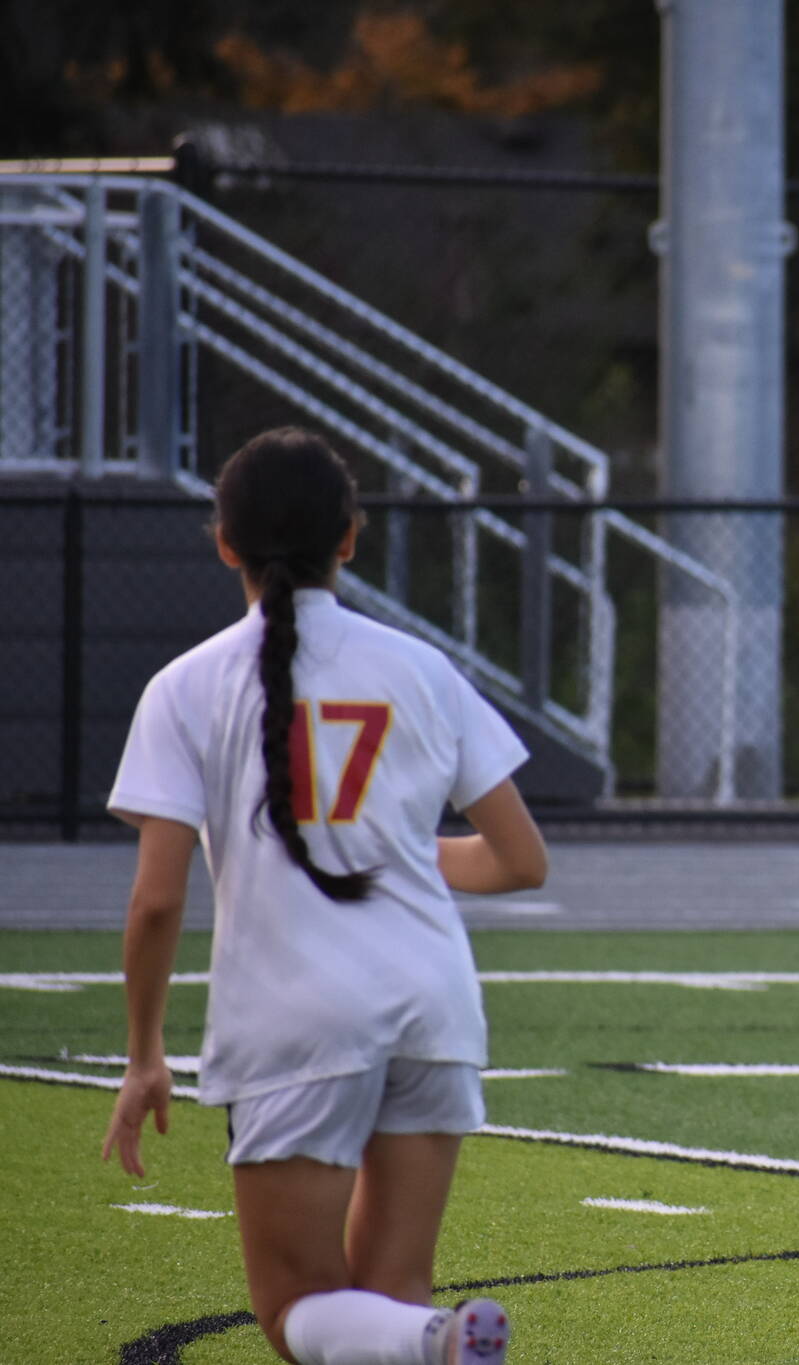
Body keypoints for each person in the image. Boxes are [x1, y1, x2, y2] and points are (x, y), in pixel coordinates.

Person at [100, 428, 548, 1363]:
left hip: (293, 1021)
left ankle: (438, 1341)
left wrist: (145, 1052)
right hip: (434, 1005)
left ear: (226, 544)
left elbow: (154, 902)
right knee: (389, 1297)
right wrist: (392, 854)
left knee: (295, 1304)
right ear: (351, 537)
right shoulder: (421, 668)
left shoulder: (184, 687)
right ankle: (434, 1336)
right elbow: (519, 860)